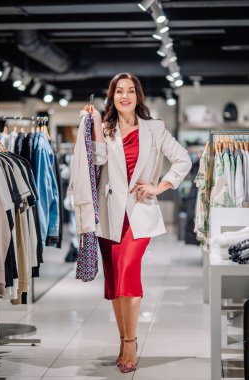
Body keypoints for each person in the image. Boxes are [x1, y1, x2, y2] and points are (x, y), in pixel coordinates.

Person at [83, 72, 192, 373]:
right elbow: (97, 162)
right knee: (115, 282)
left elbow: (183, 159)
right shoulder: (105, 127)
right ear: (112, 96)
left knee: (129, 273)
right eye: (119, 91)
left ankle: (130, 342)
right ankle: (122, 339)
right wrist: (94, 127)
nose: (125, 96)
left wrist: (160, 186)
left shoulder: (155, 129)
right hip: (109, 215)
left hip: (139, 214)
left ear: (138, 96)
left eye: (131, 90)